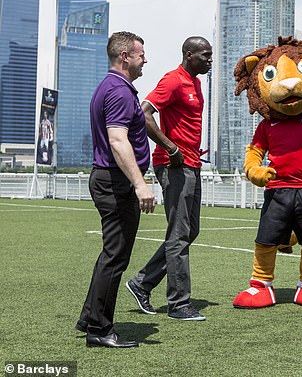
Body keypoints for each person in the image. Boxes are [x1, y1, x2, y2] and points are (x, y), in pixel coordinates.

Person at [77, 31, 156, 348]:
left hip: (108, 179)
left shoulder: (110, 88)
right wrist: (140, 184)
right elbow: (118, 139)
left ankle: (89, 318)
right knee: (116, 258)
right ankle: (99, 330)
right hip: (116, 182)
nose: (145, 59)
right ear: (125, 56)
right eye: (141, 54)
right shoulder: (120, 92)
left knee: (111, 255)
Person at [126, 36, 212, 321]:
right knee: (179, 234)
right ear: (189, 55)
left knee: (189, 232)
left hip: (192, 164)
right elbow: (144, 113)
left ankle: (141, 283)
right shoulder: (173, 80)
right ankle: (179, 304)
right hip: (174, 165)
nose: (210, 60)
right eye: (205, 55)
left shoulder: (196, 83)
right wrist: (171, 147)